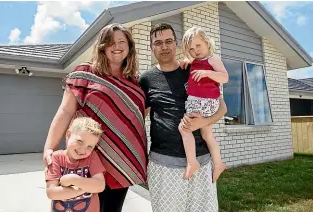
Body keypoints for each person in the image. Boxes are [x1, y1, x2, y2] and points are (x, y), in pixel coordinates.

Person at [43, 23, 147, 212]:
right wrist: (49, 147)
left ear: (130, 47)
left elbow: (137, 118)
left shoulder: (135, 84)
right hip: (86, 159)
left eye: (122, 41)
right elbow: (65, 111)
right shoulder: (85, 73)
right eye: (110, 42)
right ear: (102, 47)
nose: (117, 46)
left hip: (123, 164)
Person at [139, 23, 227, 212]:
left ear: (177, 44)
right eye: (158, 43)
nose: (164, 47)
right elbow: (139, 118)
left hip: (201, 160)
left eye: (169, 41)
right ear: (151, 47)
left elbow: (222, 108)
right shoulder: (146, 79)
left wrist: (205, 122)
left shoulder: (194, 69)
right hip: (163, 163)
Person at [179, 26, 228, 180]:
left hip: (204, 102)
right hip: (200, 102)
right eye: (191, 49)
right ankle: (219, 163)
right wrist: (185, 62)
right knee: (207, 134)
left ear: (207, 42)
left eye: (198, 45)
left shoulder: (212, 59)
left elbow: (225, 77)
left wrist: (208, 73)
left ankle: (192, 162)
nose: (196, 51)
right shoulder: (195, 61)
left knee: (184, 128)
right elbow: (189, 61)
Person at [46, 117, 105, 212]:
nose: (83, 150)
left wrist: (74, 179)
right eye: (80, 141)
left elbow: (100, 186)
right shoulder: (56, 157)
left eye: (90, 147)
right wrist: (82, 189)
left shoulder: (92, 157)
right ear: (68, 135)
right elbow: (52, 193)